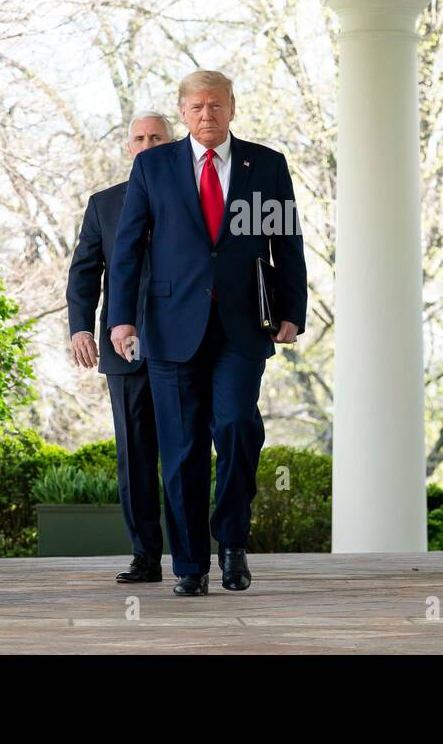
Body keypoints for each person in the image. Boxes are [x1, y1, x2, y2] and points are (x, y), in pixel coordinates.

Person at [108, 70, 307, 596]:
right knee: (181, 449)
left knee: (238, 426)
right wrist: (120, 318)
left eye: (215, 106)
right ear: (184, 112)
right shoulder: (154, 167)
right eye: (196, 108)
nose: (206, 116)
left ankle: (233, 544)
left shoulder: (265, 165)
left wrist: (292, 310)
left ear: (232, 108)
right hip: (170, 327)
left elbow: (285, 241)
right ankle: (191, 566)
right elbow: (127, 248)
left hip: (241, 328)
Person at [66, 111, 172, 583]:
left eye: (157, 138)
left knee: (186, 451)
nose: (148, 145)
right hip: (123, 347)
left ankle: (194, 556)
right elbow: (85, 271)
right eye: (140, 138)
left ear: (172, 144)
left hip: (184, 345)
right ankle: (146, 557)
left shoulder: (196, 198)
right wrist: (80, 328)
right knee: (135, 455)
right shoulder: (105, 204)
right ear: (129, 147)